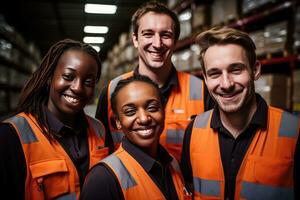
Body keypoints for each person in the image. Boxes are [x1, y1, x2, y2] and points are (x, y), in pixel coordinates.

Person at [181, 26, 300, 200]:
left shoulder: (294, 131)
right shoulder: (193, 131)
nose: (226, 84)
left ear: (255, 70)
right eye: (214, 74)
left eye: (235, 70)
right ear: (205, 79)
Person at [95, 1, 212, 161]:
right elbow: (101, 151)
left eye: (165, 35)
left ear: (175, 41)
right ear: (135, 40)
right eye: (148, 34)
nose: (157, 44)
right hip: (127, 185)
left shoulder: (201, 90)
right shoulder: (111, 91)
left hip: (181, 185)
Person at [0, 39, 110, 200]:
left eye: (88, 81)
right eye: (68, 76)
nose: (77, 88)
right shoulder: (10, 136)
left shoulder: (99, 129)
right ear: (49, 77)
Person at [81, 75, 191, 200]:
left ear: (163, 112)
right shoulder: (102, 179)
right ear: (117, 122)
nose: (144, 119)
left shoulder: (172, 164)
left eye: (152, 108)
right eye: (130, 112)